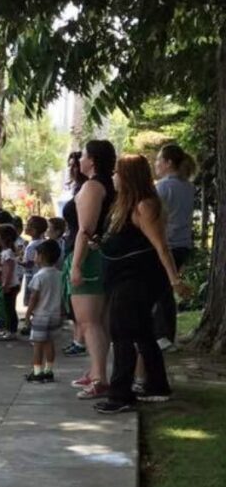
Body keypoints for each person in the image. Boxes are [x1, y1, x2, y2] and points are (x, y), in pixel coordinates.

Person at [93, 155, 191, 414]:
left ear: (129, 176)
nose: (113, 176)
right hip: (119, 276)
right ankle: (157, 385)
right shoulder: (122, 205)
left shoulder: (145, 206)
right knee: (142, 332)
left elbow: (161, 246)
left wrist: (174, 280)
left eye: (117, 172)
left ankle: (120, 395)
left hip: (137, 280)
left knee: (122, 332)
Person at [64, 140, 117, 399]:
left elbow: (85, 229)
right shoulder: (108, 185)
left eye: (83, 155)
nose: (79, 160)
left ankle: (99, 378)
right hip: (100, 256)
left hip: (89, 258)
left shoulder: (93, 186)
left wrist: (75, 265)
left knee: (89, 322)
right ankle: (96, 370)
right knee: (99, 321)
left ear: (93, 160)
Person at [151, 144, 196, 352]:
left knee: (161, 290)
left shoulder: (163, 187)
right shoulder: (188, 187)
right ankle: (165, 334)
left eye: (159, 160)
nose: (156, 163)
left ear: (169, 163)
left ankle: (162, 336)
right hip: (183, 244)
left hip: (167, 244)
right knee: (167, 288)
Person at [24, 239, 63, 383]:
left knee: (37, 344)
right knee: (49, 342)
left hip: (41, 315)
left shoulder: (39, 276)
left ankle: (37, 372)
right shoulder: (60, 275)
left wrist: (28, 315)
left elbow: (34, 297)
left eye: (35, 255)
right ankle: (49, 370)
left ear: (41, 256)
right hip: (55, 314)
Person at [0, 224, 21, 340]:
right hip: (7, 283)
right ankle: (7, 329)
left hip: (10, 284)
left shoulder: (8, 253)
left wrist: (5, 283)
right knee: (6, 307)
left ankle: (12, 331)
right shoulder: (5, 252)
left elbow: (9, 269)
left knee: (10, 308)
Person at [21, 215, 48, 308]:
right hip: (39, 273)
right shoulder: (42, 242)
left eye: (28, 225)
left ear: (34, 230)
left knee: (32, 297)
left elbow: (29, 263)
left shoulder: (32, 245)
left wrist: (18, 261)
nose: (25, 227)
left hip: (31, 274)